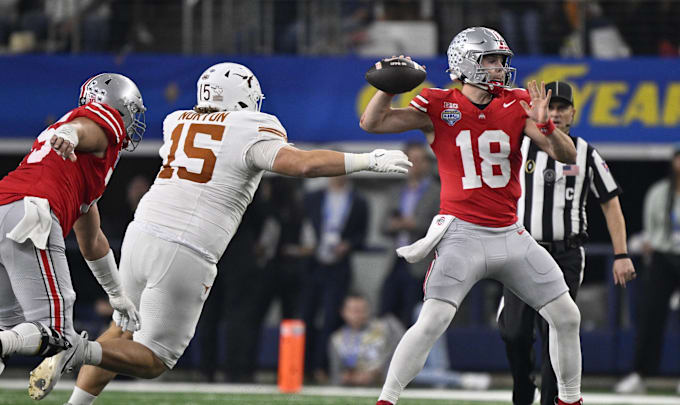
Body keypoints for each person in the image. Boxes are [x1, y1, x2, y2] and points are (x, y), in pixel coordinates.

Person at [36, 62, 411, 405]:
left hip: (141, 234)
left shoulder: (176, 121)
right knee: (155, 359)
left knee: (120, 330)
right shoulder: (250, 128)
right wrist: (368, 160)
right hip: (185, 247)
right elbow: (302, 163)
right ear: (243, 98)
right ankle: (75, 349)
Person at [361, 27, 584, 405]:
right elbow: (372, 123)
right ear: (466, 62)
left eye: (501, 60)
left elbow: (566, 155)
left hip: (511, 235)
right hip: (461, 235)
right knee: (432, 321)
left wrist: (547, 125)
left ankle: (570, 400)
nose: (500, 68)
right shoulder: (437, 102)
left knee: (567, 316)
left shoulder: (515, 102)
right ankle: (387, 399)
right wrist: (389, 86)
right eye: (492, 60)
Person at [497, 81, 637, 405]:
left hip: (565, 254)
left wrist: (621, 253)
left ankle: (550, 400)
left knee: (556, 337)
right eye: (551, 106)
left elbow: (610, 202)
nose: (555, 113)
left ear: (573, 112)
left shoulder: (585, 151)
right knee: (513, 332)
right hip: (523, 250)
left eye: (562, 107)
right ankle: (522, 381)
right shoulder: (520, 144)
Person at [0, 73, 145, 383]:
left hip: (6, 206)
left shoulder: (80, 170)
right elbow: (84, 127)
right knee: (55, 333)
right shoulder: (101, 124)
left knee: (7, 328)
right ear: (120, 107)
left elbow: (92, 240)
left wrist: (117, 295)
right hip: (30, 212)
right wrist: (70, 132)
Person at [615, 141, 680, 395]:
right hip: (664, 258)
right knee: (652, 316)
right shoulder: (659, 192)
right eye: (679, 158)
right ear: (672, 163)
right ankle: (640, 374)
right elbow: (651, 227)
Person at [301, 175, 368, 382]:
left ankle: (323, 367)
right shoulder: (312, 197)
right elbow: (303, 226)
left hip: (339, 266)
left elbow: (361, 235)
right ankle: (303, 367)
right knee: (306, 315)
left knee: (332, 317)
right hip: (313, 265)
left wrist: (348, 245)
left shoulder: (358, 201)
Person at [379, 141, 440, 327]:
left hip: (422, 262)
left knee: (413, 314)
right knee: (386, 310)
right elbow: (382, 225)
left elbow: (442, 224)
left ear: (427, 163)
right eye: (411, 160)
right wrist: (395, 224)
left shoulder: (437, 192)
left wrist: (415, 224)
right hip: (397, 259)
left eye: (419, 160)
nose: (415, 165)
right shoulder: (396, 191)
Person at [329, 293, 404, 386]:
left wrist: (376, 373)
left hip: (385, 384)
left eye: (363, 310)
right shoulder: (336, 339)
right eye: (354, 311)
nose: (359, 315)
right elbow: (336, 376)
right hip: (352, 388)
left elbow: (402, 352)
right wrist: (351, 378)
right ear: (343, 312)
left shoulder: (386, 328)